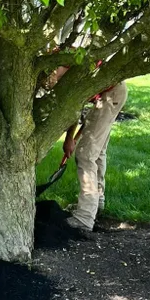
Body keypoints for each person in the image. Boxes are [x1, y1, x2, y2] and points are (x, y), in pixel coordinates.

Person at [63, 81, 128, 237]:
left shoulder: (67, 68)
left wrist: (69, 138)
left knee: (85, 154)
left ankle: (85, 217)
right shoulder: (63, 64)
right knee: (97, 152)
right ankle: (96, 201)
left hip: (110, 95)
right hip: (111, 92)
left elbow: (74, 108)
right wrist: (70, 138)